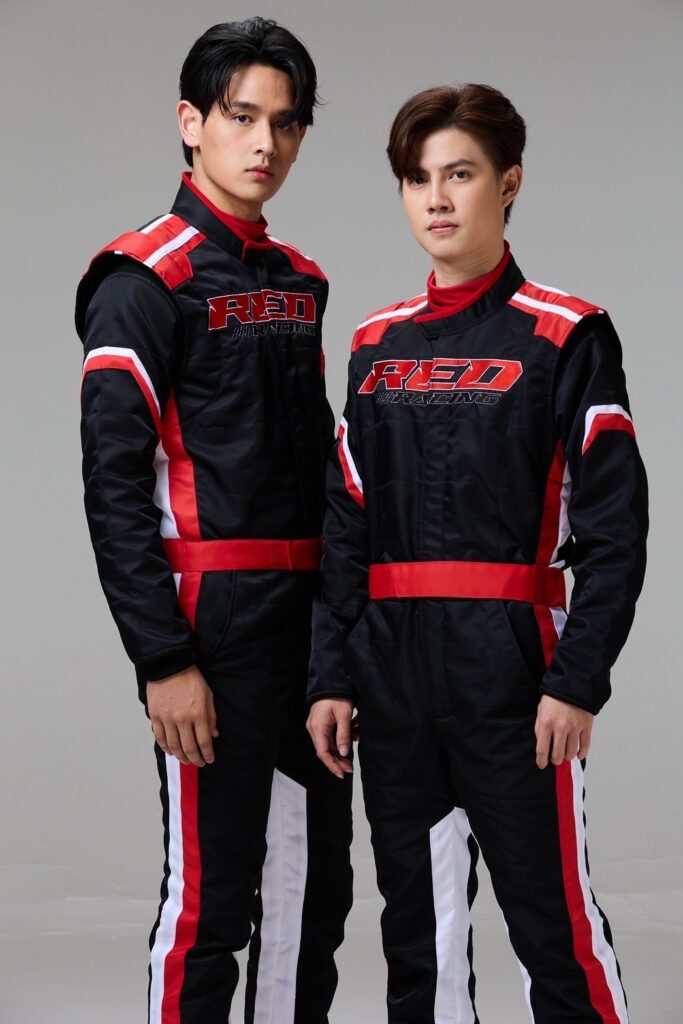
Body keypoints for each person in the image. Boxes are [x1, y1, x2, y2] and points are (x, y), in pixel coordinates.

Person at [307, 83, 647, 1024]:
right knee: (417, 937)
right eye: (416, 179)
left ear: (509, 183)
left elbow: (615, 529)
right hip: (394, 682)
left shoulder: (567, 334)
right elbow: (345, 526)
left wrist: (576, 682)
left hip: (516, 680)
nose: (436, 198)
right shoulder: (375, 345)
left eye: (458, 174)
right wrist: (330, 676)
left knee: (553, 928)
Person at [76, 18, 352, 1024]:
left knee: (313, 896)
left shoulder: (300, 282)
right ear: (191, 122)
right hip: (210, 627)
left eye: (284, 122)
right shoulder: (140, 280)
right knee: (210, 903)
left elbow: (328, 480)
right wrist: (163, 658)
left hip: (309, 628)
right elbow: (113, 487)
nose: (263, 142)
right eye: (241, 116)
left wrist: (339, 647)